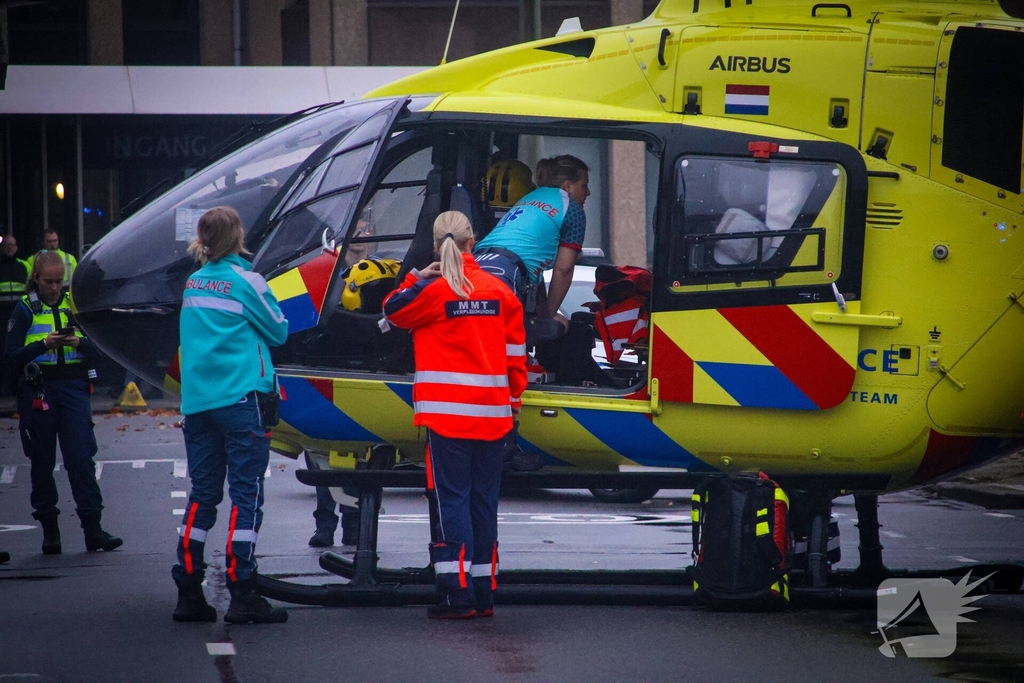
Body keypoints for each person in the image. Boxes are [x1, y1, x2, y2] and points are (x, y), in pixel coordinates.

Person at [383, 210, 527, 619]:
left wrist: (416, 277)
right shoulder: (499, 291)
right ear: (473, 242)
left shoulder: (435, 291)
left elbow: (393, 311)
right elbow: (517, 359)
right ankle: (483, 592)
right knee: (484, 502)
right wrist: (511, 402)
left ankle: (456, 594)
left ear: (436, 246)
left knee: (453, 503)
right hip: (493, 417)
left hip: (447, 420)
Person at [172, 206, 289, 624]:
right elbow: (279, 330)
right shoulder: (247, 282)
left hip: (199, 403)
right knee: (246, 496)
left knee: (203, 495)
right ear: (238, 236)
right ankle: (243, 590)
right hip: (241, 400)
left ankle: (188, 587)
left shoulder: (193, 282)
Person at [4, 251, 122, 556]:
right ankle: (50, 532)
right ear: (37, 280)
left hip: (73, 388)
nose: (55, 287)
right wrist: (44, 345)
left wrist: (79, 343)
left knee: (81, 458)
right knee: (41, 460)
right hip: (39, 388)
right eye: (49, 282)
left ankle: (93, 530)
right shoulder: (26, 309)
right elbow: (11, 355)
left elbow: (102, 349)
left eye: (59, 281)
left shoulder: (74, 306)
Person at [475, 154, 590, 329]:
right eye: (584, 185)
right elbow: (564, 269)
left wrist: (543, 313)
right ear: (568, 186)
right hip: (505, 272)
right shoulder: (572, 209)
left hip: (475, 264)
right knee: (508, 346)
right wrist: (549, 317)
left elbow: (534, 272)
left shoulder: (529, 197)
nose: (588, 193)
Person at [0, 235, 30, 394]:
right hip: (1, 315)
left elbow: (32, 288)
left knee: (18, 349)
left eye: (12, 245)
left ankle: (16, 384)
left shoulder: (24, 266)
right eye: (7, 245)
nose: (10, 248)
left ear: (17, 248)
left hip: (19, 313)